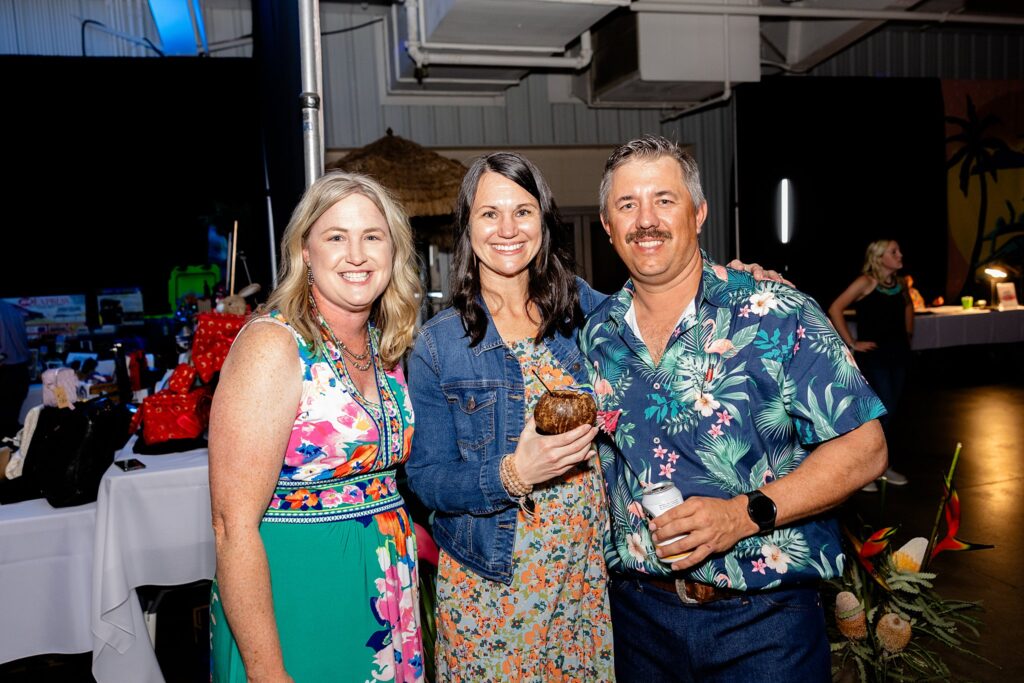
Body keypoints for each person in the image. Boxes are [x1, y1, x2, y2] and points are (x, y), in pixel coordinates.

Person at [578, 134, 888, 682]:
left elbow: (865, 449)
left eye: (664, 200)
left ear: (699, 213)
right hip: (637, 622)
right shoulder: (594, 336)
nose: (645, 220)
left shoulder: (775, 312)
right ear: (607, 225)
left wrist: (741, 516)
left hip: (764, 624)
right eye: (627, 205)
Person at [209, 172, 425, 683]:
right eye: (336, 237)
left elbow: (379, 484)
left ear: (392, 253)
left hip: (385, 594)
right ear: (305, 251)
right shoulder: (274, 345)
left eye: (373, 237)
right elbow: (231, 526)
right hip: (300, 597)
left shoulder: (383, 347)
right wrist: (267, 671)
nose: (357, 254)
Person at [405, 152, 613, 680]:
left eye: (522, 211)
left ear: (543, 220)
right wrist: (513, 474)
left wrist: (731, 276)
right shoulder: (438, 345)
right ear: (466, 227)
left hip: (584, 577)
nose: (507, 228)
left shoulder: (579, 312)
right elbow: (426, 479)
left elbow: (659, 309)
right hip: (493, 583)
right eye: (488, 213)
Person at [827, 239, 913, 490]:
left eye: (899, 250)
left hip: (898, 354)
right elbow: (835, 308)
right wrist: (851, 342)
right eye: (893, 252)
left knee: (893, 412)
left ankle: (882, 467)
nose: (900, 255)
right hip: (875, 357)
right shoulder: (866, 282)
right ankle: (866, 471)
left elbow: (908, 306)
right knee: (877, 414)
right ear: (879, 257)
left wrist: (908, 334)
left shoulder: (901, 283)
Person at [0, 299, 31, 439]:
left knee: (5, 426)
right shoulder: (13, 309)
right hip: (20, 372)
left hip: (5, 372)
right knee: (10, 423)